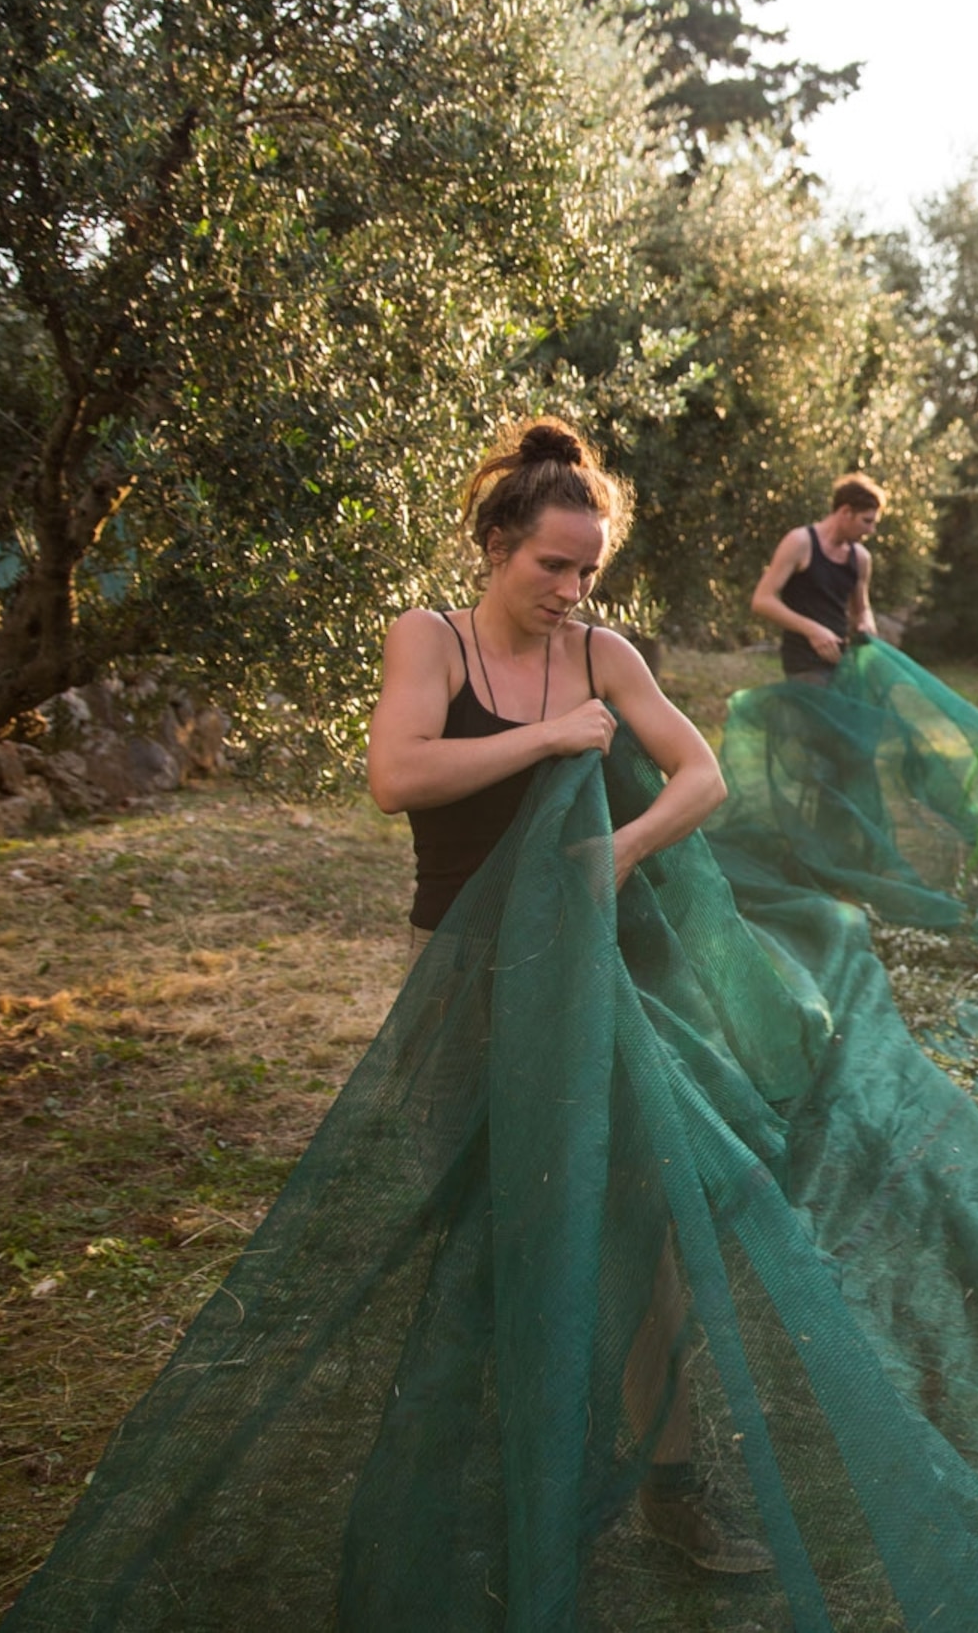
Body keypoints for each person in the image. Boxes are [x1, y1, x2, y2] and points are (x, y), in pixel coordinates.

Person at [361, 416, 761, 1573]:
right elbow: (397, 773)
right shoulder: (431, 639)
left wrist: (621, 850)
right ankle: (503, 1494)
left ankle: (672, 1489)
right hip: (462, 981)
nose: (571, 590)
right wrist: (545, 739)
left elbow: (704, 775)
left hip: (584, 979)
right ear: (496, 543)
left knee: (641, 1223)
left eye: (588, 571)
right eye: (552, 565)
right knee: (486, 1237)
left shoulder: (602, 654)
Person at [750, 473, 884, 682]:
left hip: (843, 663)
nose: (871, 530)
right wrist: (812, 630)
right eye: (866, 521)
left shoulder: (861, 558)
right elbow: (762, 600)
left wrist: (866, 623)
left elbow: (861, 609)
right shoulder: (800, 542)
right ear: (846, 512)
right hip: (804, 664)